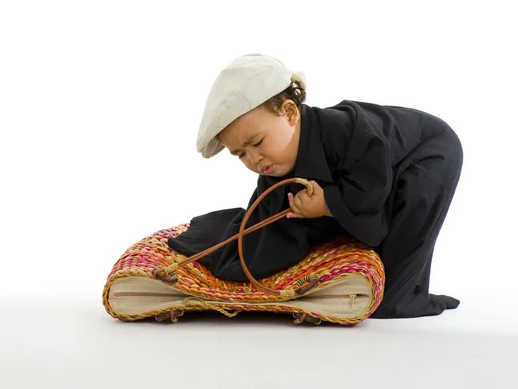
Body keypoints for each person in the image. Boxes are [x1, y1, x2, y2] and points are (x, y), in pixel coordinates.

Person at [167, 53, 463, 319]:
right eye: (240, 153)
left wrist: (328, 204)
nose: (254, 159)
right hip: (383, 168)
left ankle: (416, 297)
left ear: (290, 113)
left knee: (391, 291)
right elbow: (263, 228)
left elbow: (371, 190)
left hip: (427, 153)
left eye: (257, 142)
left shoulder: (345, 131)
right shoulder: (273, 165)